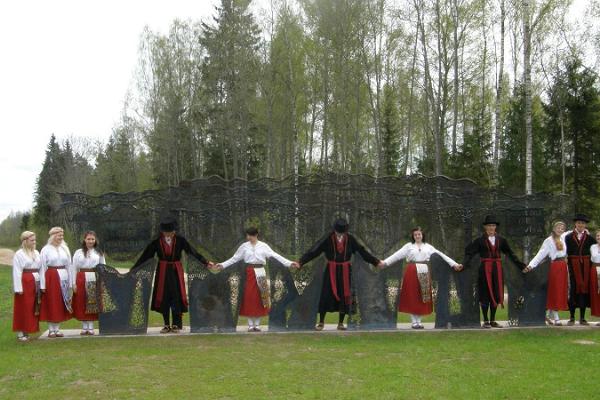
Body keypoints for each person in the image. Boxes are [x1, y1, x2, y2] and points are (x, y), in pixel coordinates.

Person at [132, 217, 214, 333]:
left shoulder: (181, 240)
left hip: (176, 271)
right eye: (166, 232)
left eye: (170, 232)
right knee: (164, 297)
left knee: (176, 296)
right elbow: (146, 256)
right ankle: (166, 325)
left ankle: (176, 325)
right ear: (162, 232)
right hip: (162, 272)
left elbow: (192, 251)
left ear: (174, 231)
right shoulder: (156, 242)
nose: (168, 234)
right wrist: (134, 269)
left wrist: (205, 262)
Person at [298, 218, 381, 331]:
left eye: (341, 232)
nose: (339, 234)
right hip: (331, 270)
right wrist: (301, 262)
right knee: (326, 294)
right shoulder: (328, 238)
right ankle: (321, 321)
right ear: (334, 230)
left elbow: (362, 251)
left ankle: (340, 323)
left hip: (345, 270)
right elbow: (314, 251)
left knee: (344, 295)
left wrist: (375, 261)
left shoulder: (350, 239)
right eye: (338, 232)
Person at [215, 227, 299, 332]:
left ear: (254, 235)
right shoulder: (244, 246)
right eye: (247, 235)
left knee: (261, 298)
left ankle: (257, 325)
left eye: (249, 235)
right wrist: (222, 265)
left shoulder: (263, 246)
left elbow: (275, 255)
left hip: (260, 272)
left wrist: (289, 263)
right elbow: (235, 258)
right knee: (249, 297)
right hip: (249, 273)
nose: (247, 237)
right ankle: (250, 325)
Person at [379, 227, 463, 329]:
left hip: (424, 270)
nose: (417, 236)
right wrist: (385, 262)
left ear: (422, 235)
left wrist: (454, 264)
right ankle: (413, 321)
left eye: (419, 234)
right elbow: (397, 255)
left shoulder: (428, 247)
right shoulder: (409, 246)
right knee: (412, 295)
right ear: (413, 236)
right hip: (411, 271)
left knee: (422, 296)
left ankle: (419, 321)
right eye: (415, 235)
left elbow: (441, 255)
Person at [463, 215, 526, 328]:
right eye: (489, 226)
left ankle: (492, 320)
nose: (491, 228)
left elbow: (510, 254)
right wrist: (463, 264)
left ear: (496, 227)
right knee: (485, 293)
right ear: (485, 227)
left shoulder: (501, 240)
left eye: (493, 225)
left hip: (497, 269)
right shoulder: (479, 241)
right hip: (484, 270)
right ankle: (486, 321)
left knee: (497, 293)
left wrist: (521, 266)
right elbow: (469, 253)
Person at [523, 221, 569, 326]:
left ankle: (548, 314)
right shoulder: (549, 241)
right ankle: (556, 317)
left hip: (563, 267)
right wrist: (531, 265)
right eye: (558, 227)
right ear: (554, 228)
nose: (560, 230)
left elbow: (572, 232)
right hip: (555, 267)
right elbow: (541, 254)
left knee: (560, 291)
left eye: (562, 228)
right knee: (555, 291)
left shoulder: (563, 239)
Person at [39, 227, 73, 338]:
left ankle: (57, 329)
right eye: (59, 235)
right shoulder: (45, 249)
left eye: (62, 236)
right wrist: (42, 284)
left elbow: (69, 265)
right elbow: (42, 267)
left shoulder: (65, 248)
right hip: (51, 277)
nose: (61, 238)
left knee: (60, 302)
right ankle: (51, 330)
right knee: (51, 302)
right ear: (53, 236)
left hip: (63, 277)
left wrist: (70, 281)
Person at [71, 231, 106, 335]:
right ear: (84, 240)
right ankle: (84, 326)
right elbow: (73, 267)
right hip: (81, 277)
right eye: (88, 239)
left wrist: (102, 281)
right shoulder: (78, 252)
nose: (90, 241)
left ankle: (91, 327)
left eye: (92, 239)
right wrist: (73, 283)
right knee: (81, 300)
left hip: (93, 277)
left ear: (95, 240)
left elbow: (103, 267)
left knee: (92, 301)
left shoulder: (99, 252)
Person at [564, 214, 595, 326]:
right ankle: (572, 317)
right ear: (575, 224)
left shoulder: (590, 239)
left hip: (586, 268)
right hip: (573, 267)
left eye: (582, 223)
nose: (580, 225)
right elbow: (564, 251)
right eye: (578, 223)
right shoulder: (568, 237)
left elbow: (595, 252)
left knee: (584, 290)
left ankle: (582, 318)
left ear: (585, 225)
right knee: (573, 289)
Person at [12, 231, 41, 341]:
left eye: (35, 240)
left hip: (35, 282)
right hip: (25, 282)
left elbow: (41, 268)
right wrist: (18, 288)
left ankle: (28, 330)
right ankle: (20, 332)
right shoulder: (19, 254)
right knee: (23, 306)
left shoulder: (37, 252)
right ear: (25, 241)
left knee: (33, 307)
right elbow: (17, 271)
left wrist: (41, 283)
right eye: (32, 240)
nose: (34, 242)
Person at [589, 231, 600, 326]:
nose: (599, 237)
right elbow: (595, 257)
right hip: (594, 269)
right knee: (596, 292)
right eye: (598, 235)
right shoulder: (593, 247)